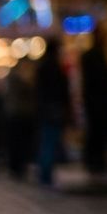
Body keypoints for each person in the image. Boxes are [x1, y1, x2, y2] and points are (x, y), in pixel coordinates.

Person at [35, 38, 72, 188]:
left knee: (47, 141)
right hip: (54, 110)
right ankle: (46, 174)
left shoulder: (42, 68)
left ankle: (44, 173)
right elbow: (62, 91)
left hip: (44, 111)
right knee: (51, 141)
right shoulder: (55, 69)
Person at [80, 39, 107, 175]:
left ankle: (94, 161)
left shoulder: (88, 58)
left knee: (94, 131)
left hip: (94, 102)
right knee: (98, 132)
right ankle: (96, 162)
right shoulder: (97, 59)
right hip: (99, 102)